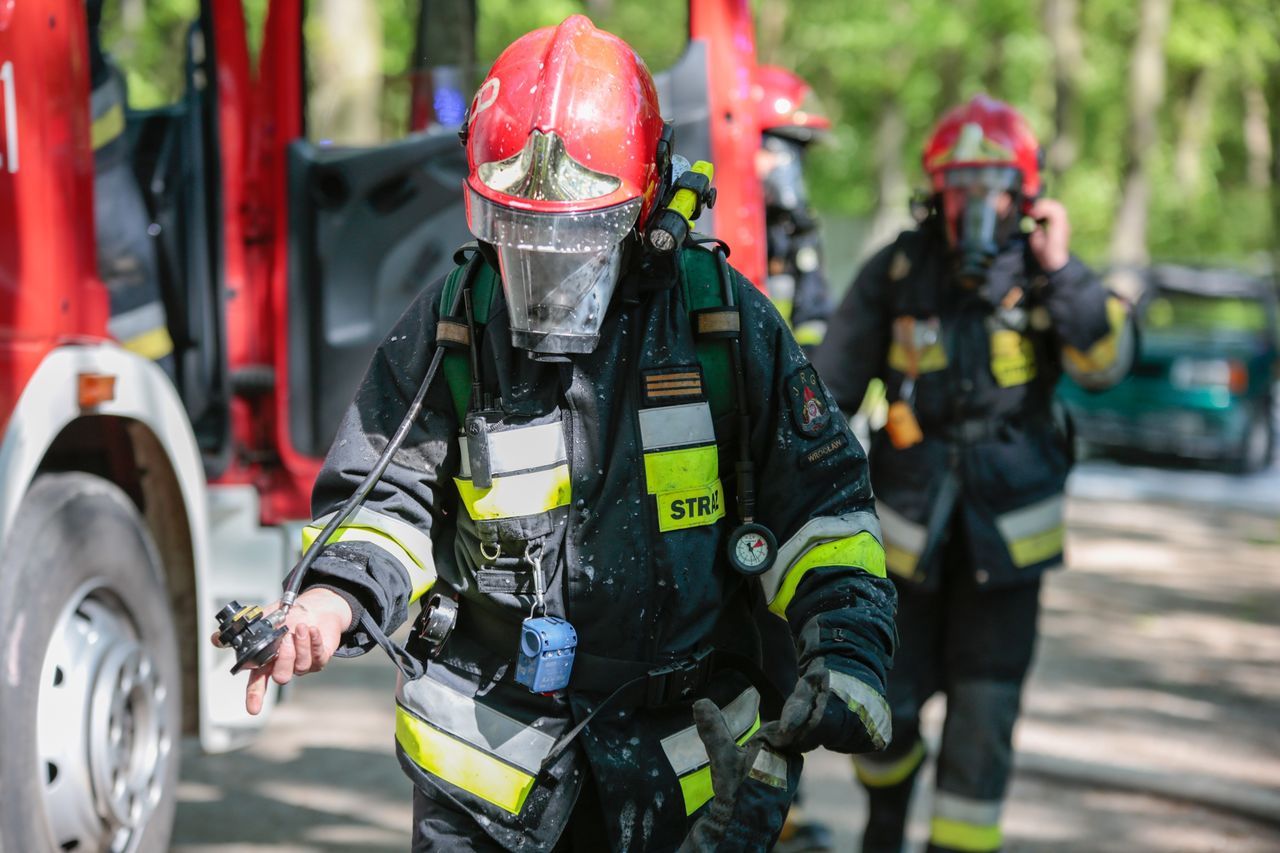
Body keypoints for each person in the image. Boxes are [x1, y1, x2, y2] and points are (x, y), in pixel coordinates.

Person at [222, 17, 896, 852]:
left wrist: (851, 651)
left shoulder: (722, 327)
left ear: (647, 206)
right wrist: (330, 601)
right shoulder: (455, 326)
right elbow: (384, 499)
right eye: (520, 238)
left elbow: (823, 510)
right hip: (482, 783)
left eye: (578, 240)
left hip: (687, 784)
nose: (546, 271)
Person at [813, 94, 1135, 853]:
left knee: (982, 728)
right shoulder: (900, 266)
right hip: (904, 549)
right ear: (935, 190)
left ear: (1026, 194)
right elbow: (827, 388)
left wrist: (1063, 272)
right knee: (879, 711)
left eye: (994, 183)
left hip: (1006, 558)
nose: (976, 201)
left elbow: (1107, 363)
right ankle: (885, 820)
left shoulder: (1047, 274)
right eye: (961, 183)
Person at [754, 65, 834, 356]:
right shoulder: (711, 221)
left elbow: (816, 314)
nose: (788, 168)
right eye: (780, 152)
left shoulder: (797, 232)